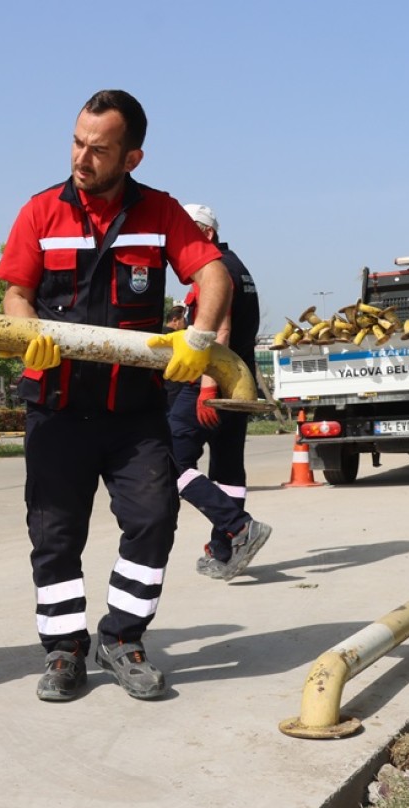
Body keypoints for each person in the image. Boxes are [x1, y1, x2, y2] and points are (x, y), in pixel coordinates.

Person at [0, 88, 233, 703]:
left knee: (154, 521)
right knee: (54, 534)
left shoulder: (159, 213)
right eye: (77, 142)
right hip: (56, 406)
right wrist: (29, 334)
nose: (81, 158)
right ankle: (64, 649)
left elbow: (213, 274)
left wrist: (200, 339)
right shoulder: (40, 212)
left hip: (133, 414)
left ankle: (122, 638)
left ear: (132, 158)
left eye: (99, 149)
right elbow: (15, 293)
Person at [167, 204, 271, 581]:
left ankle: (237, 526)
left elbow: (219, 332)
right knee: (227, 467)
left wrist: (206, 390)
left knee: (170, 461)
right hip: (238, 385)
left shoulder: (218, 270)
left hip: (210, 383)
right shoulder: (239, 266)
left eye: (186, 234)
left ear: (206, 233)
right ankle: (227, 552)